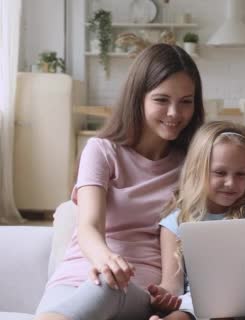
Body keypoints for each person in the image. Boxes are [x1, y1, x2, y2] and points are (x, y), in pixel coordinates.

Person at [34, 43, 205, 320]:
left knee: (108, 286)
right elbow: (88, 225)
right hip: (73, 280)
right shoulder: (101, 150)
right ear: (138, 98)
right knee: (99, 286)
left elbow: (228, 202)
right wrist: (106, 260)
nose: (175, 113)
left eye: (186, 101)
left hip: (135, 290)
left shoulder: (192, 163)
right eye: (162, 100)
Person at [149, 121, 245, 320]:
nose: (231, 183)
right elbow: (172, 284)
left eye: (241, 174)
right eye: (220, 173)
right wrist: (161, 296)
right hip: (194, 303)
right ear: (198, 169)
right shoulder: (176, 221)